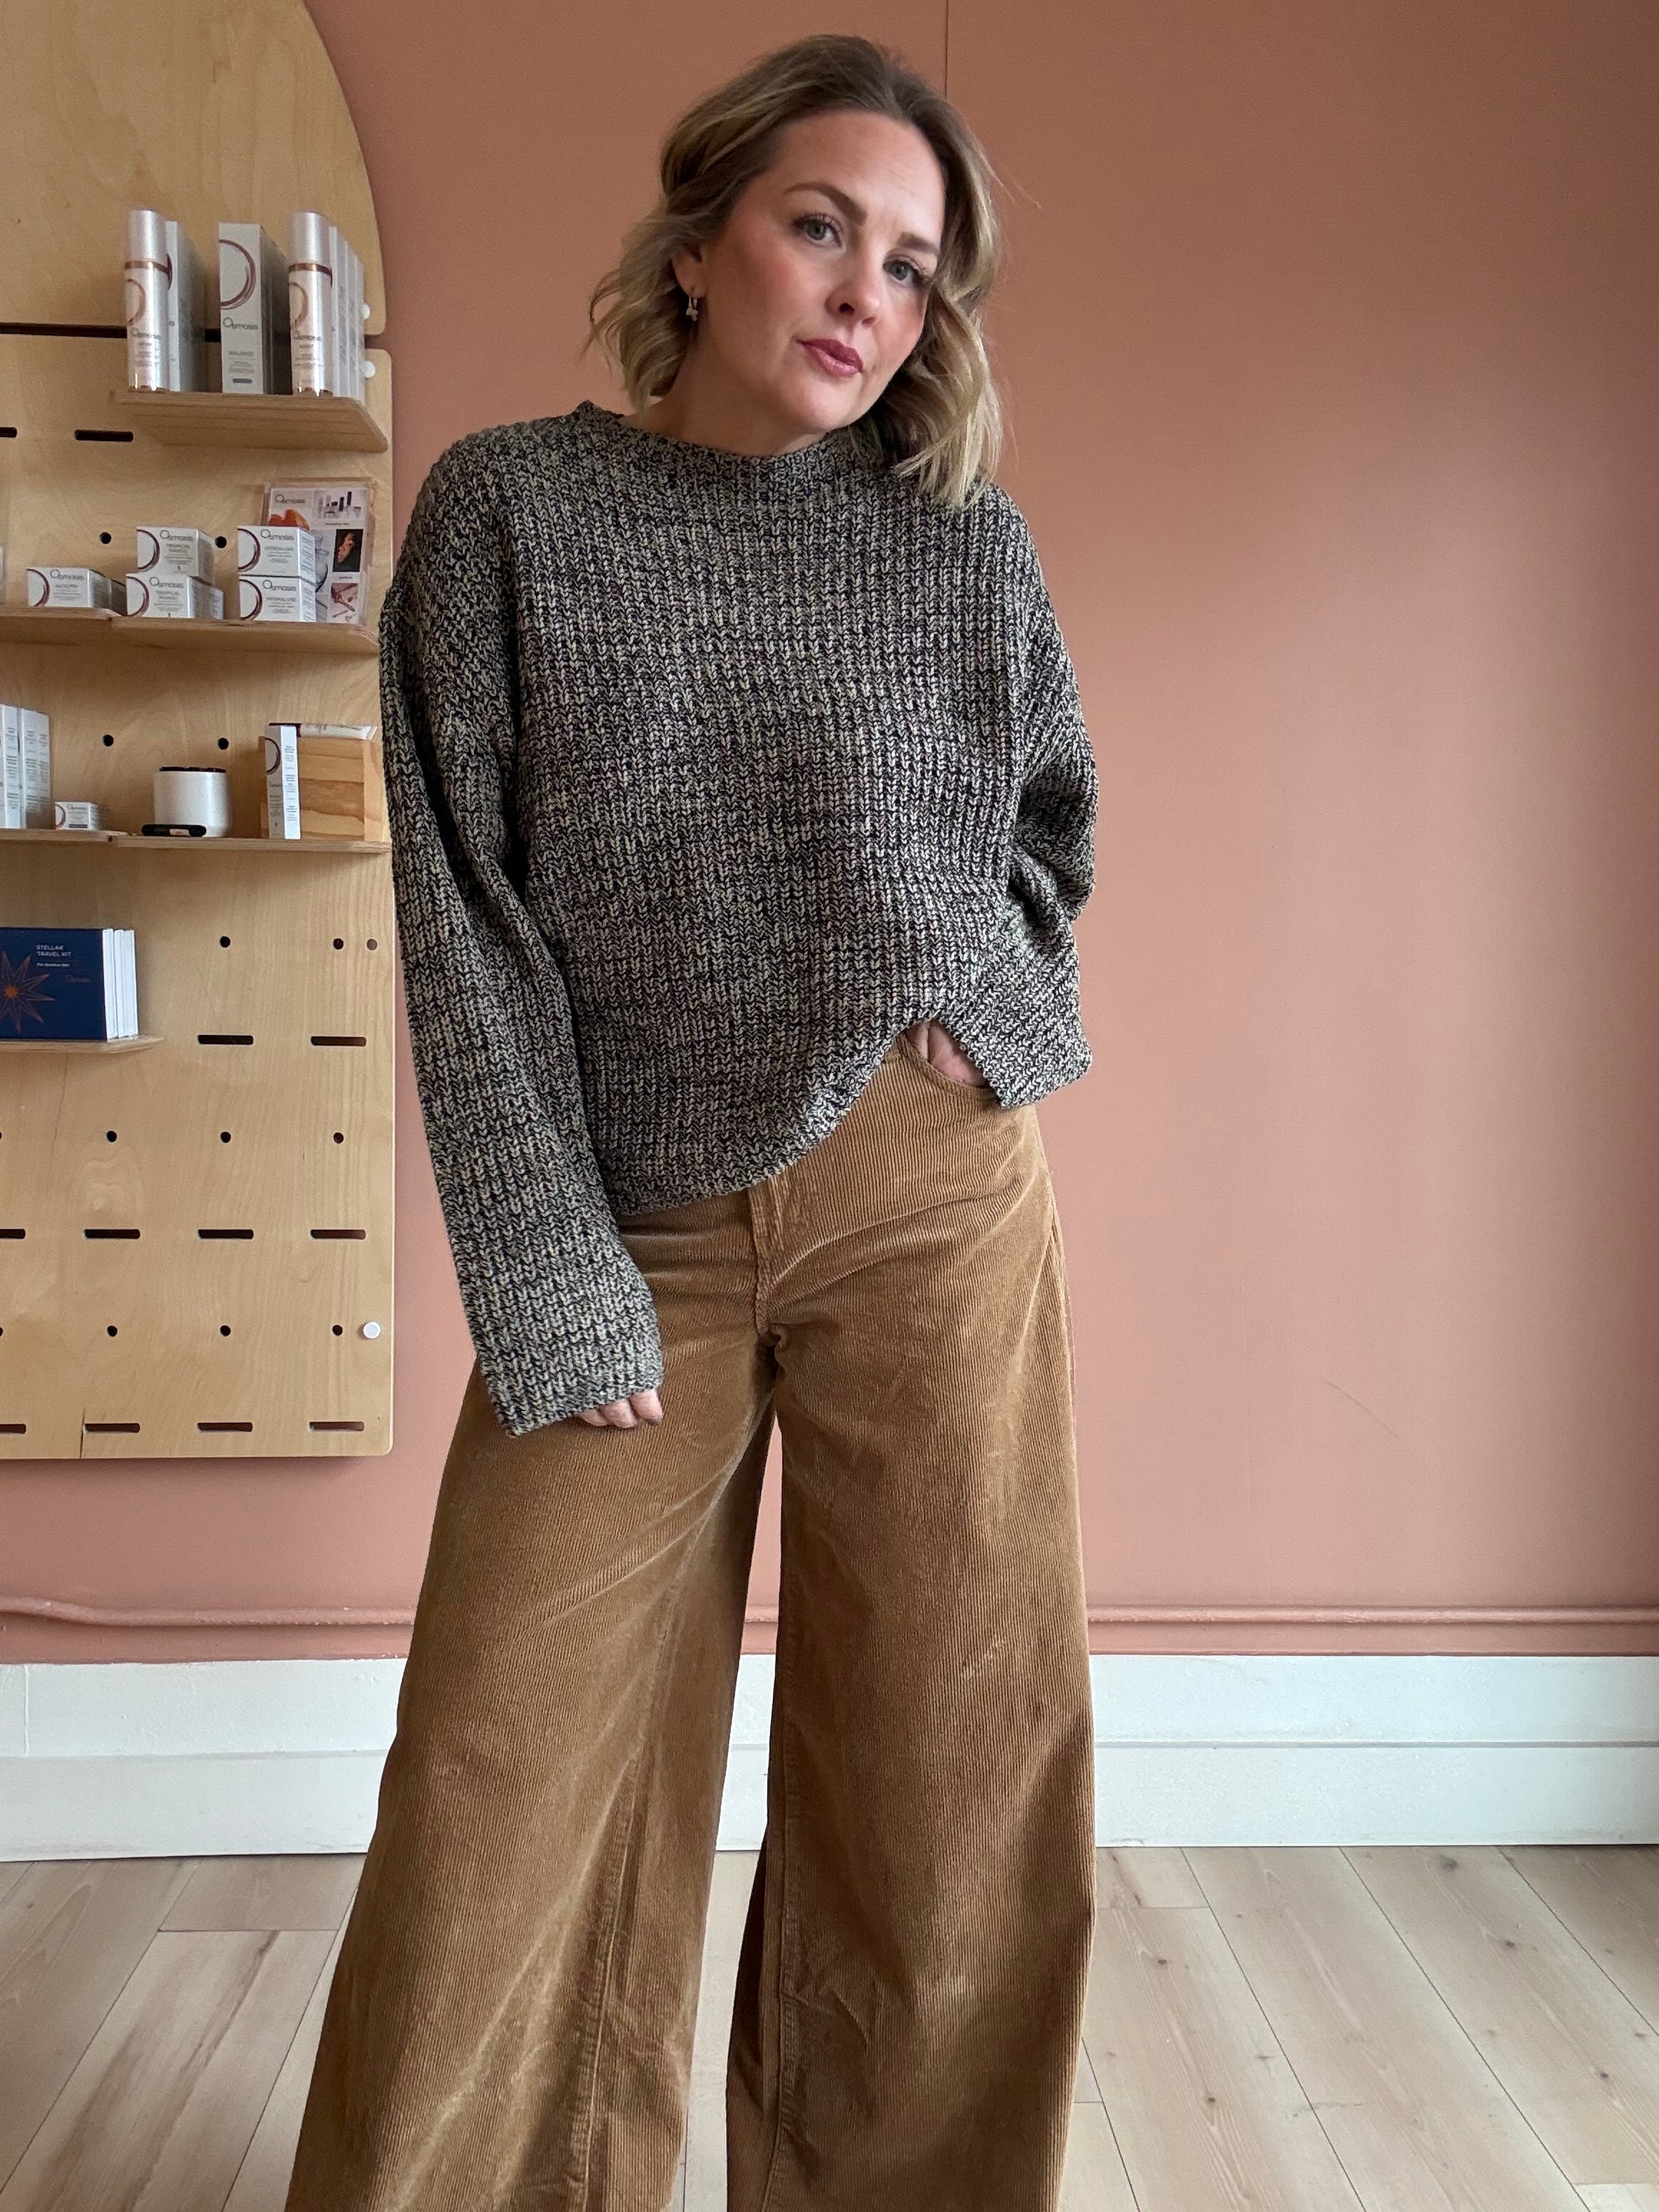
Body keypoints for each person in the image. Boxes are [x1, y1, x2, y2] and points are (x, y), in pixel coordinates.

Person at [284, 30, 1098, 2212]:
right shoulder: (509, 515)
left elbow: (1050, 828)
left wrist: (996, 1011)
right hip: (631, 1217)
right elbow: (466, 923)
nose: (863, 295)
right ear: (699, 240)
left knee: (945, 1762)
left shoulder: (961, 548)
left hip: (929, 1201)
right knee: (504, 1769)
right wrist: (547, 1271)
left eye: (912, 268)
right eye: (822, 227)